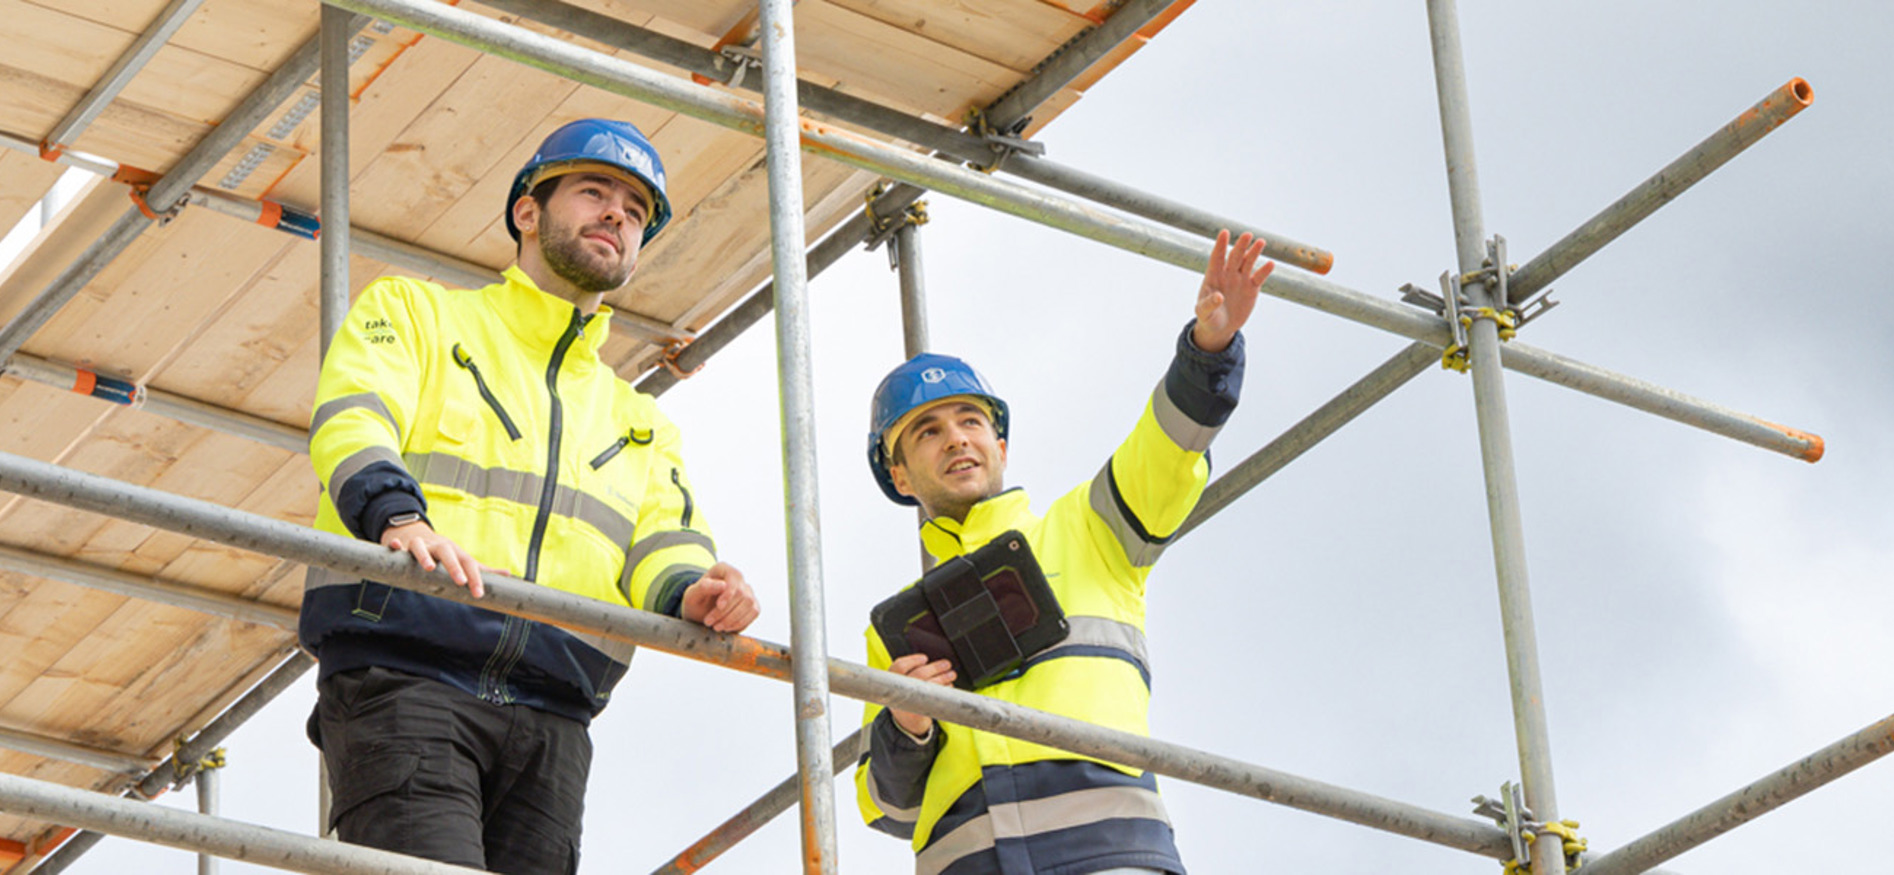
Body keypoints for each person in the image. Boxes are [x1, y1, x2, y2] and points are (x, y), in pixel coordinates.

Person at [300, 118, 759, 874]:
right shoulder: (419, 314)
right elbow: (354, 417)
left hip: (556, 712)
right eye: (593, 191)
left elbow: (664, 547)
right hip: (406, 670)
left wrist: (698, 592)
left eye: (636, 211)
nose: (617, 214)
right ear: (526, 212)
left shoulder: (639, 421)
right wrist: (398, 515)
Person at [855, 230, 1273, 875]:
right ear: (902, 476)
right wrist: (905, 726)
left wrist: (1208, 346)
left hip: (1109, 856)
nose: (957, 440)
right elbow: (888, 810)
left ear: (1001, 445)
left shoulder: (1092, 528)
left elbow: (1166, 448)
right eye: (928, 432)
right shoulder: (894, 633)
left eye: (971, 421)